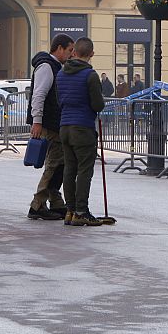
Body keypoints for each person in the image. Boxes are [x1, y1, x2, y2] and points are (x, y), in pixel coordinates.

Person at [56, 37, 106, 227]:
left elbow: (59, 100)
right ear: (91, 54)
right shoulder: (90, 75)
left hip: (65, 126)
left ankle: (70, 210)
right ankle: (81, 211)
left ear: (74, 52)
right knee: (84, 170)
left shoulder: (61, 74)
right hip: (83, 127)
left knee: (69, 169)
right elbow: (97, 104)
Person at [25, 33, 74, 221]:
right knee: (54, 164)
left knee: (59, 163)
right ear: (59, 48)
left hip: (53, 123)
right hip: (49, 124)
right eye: (69, 50)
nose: (71, 54)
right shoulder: (47, 67)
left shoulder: (54, 66)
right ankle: (37, 205)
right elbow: (38, 95)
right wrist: (37, 121)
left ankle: (56, 201)